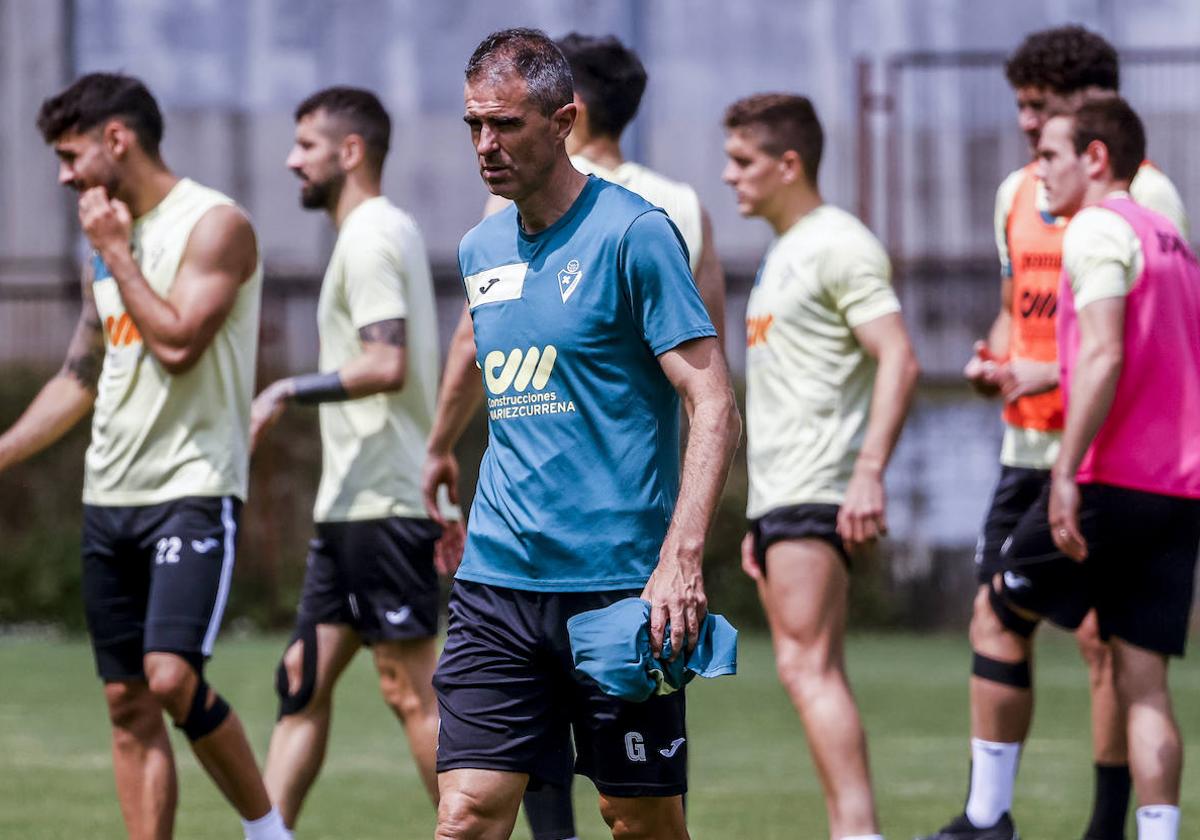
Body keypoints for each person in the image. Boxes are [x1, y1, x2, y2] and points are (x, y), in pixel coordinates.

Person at [423, 28, 740, 840]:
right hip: (498, 582)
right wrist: (437, 450)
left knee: (636, 821)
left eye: (507, 125)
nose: (485, 146)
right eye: (473, 126)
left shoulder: (635, 234)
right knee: (464, 816)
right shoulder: (479, 248)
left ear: (563, 120)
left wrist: (682, 556)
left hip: (619, 588)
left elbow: (713, 402)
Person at [0, 73, 289, 839]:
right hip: (109, 497)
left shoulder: (215, 225)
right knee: (127, 703)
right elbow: (81, 375)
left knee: (170, 676)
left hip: (190, 490)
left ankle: (269, 832)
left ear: (117, 139)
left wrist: (116, 253)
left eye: (70, 155)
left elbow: (179, 345)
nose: (64, 176)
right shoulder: (110, 238)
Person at [925, 26, 1188, 840]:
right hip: (1151, 471)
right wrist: (1009, 363)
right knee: (1139, 670)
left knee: (1022, 619)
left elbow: (1114, 346)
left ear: (1096, 140)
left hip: (1096, 458)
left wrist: (1069, 453)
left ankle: (1026, 818)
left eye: (1046, 121)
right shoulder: (1050, 202)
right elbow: (1035, 314)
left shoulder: (1122, 216)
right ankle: (1115, 827)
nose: (1032, 138)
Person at [247, 86, 454, 830]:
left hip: (386, 503)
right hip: (348, 507)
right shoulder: (368, 233)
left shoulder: (370, 234)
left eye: (306, 144)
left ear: (351, 151)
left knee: (410, 692)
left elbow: (384, 362)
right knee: (301, 682)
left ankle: (471, 827)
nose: (291, 159)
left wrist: (282, 391)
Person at [723, 94, 919, 840]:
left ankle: (858, 833)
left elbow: (900, 358)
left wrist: (869, 471)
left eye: (743, 161)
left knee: (808, 670)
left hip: (819, 490)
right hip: (785, 500)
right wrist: (758, 516)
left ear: (789, 163)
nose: (729, 175)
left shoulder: (840, 243)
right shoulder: (783, 252)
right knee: (810, 669)